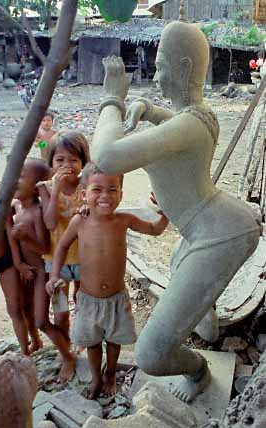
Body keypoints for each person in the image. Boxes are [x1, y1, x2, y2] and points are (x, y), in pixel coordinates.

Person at [90, 13, 261, 402]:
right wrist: (148, 109)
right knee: (181, 273)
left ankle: (199, 371)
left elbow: (108, 156)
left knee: (151, 354)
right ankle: (206, 316)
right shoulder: (199, 116)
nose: (154, 73)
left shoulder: (190, 126)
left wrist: (112, 99)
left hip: (220, 233)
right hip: (208, 225)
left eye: (161, 65)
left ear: (183, 68)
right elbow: (177, 121)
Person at [46, 162, 169, 399]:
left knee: (114, 341)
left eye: (112, 190)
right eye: (97, 190)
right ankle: (95, 378)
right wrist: (54, 276)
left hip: (116, 300)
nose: (105, 196)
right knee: (92, 343)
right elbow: (61, 247)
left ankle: (110, 373)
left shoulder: (123, 220)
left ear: (121, 194)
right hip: (88, 301)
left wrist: (165, 213)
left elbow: (155, 230)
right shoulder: (79, 222)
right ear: (85, 194)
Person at [38, 130, 90, 377]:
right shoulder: (46, 188)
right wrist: (56, 190)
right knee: (60, 312)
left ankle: (81, 341)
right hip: (56, 263)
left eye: (73, 160)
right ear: (51, 164)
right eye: (60, 160)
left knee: (83, 304)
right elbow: (49, 223)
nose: (67, 166)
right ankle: (65, 353)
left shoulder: (87, 186)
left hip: (84, 258)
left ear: (82, 162)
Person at [0, 135, 31, 355]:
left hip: (4, 259)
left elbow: (8, 227)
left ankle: (25, 351)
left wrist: (17, 260)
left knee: (15, 305)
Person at [10, 159, 51, 354]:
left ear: (36, 189)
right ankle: (35, 341)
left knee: (39, 317)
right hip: (23, 269)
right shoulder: (17, 206)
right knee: (25, 308)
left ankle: (64, 350)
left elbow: (44, 247)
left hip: (38, 270)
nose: (16, 180)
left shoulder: (37, 212)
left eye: (21, 177)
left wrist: (26, 236)